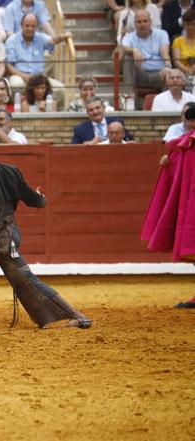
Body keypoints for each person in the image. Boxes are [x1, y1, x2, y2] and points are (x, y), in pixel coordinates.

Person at [0, 149, 92, 329]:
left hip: (0, 237)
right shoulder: (11, 170)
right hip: (9, 233)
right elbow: (33, 200)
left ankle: (78, 316)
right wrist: (41, 199)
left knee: (25, 278)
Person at [141, 106, 195, 307]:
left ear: (190, 122)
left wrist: (170, 159)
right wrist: (170, 159)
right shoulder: (185, 144)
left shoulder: (187, 143)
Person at [4, 13, 71, 106]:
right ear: (21, 26)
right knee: (16, 86)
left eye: (33, 26)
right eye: (27, 26)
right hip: (19, 75)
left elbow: (53, 41)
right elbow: (8, 65)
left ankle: (53, 117)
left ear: (36, 27)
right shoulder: (12, 40)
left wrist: (63, 36)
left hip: (39, 77)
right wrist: (24, 76)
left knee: (60, 89)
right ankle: (21, 115)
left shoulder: (40, 37)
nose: (30, 29)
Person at [118, 10, 171, 103]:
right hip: (140, 74)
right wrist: (133, 50)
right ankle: (129, 97)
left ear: (150, 22)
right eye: (139, 22)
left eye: (145, 21)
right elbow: (125, 48)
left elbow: (164, 52)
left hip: (158, 74)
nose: (142, 24)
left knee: (169, 74)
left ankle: (167, 104)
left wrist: (167, 66)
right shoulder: (129, 36)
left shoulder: (162, 34)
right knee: (128, 57)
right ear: (135, 24)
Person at [171, 8, 195, 93]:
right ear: (184, 25)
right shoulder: (178, 41)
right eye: (188, 24)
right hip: (182, 73)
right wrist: (188, 71)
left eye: (193, 24)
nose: (191, 27)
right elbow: (176, 62)